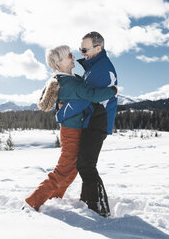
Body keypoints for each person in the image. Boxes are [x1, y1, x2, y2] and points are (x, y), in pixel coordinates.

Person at [24, 45, 117, 211]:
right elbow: (93, 94)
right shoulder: (68, 83)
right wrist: (112, 91)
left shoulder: (70, 78)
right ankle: (32, 202)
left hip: (74, 129)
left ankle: (54, 198)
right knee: (64, 170)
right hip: (71, 132)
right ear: (59, 63)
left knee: (72, 169)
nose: (73, 57)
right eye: (69, 56)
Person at [56, 32, 118, 217]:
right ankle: (88, 201)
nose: (82, 53)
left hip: (98, 121)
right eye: (80, 49)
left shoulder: (100, 70)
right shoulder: (94, 66)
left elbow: (83, 100)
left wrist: (61, 112)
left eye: (85, 49)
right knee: (85, 163)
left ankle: (98, 207)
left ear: (98, 48)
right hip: (92, 120)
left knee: (86, 165)